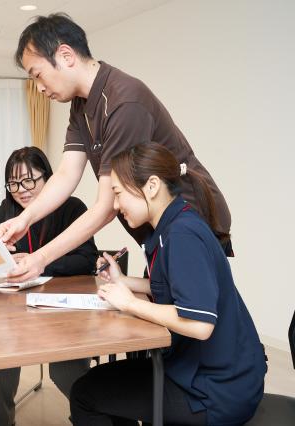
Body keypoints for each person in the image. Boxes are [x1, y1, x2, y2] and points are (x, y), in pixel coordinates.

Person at [0, 13, 233, 283]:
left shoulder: (123, 103)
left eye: (38, 75)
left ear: (65, 55)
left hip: (189, 223)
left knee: (191, 317)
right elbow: (66, 174)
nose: (39, 88)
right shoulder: (81, 103)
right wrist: (24, 219)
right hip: (159, 231)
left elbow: (106, 206)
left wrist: (40, 258)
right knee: (166, 306)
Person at [68, 143, 266, 425]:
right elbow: (172, 287)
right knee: (96, 386)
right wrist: (124, 281)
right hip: (208, 373)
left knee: (86, 395)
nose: (114, 205)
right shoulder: (172, 226)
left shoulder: (182, 234)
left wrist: (130, 303)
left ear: (151, 186)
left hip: (215, 392)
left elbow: (199, 325)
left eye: (118, 194)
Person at [0, 146, 97, 426]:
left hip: (61, 313)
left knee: (65, 372)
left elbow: (86, 260)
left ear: (49, 178)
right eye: (14, 183)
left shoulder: (72, 207)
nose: (22, 190)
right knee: (1, 367)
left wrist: (41, 262)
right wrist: (0, 252)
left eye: (29, 180)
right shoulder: (8, 210)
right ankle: (1, 419)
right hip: (15, 313)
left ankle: (88, 416)